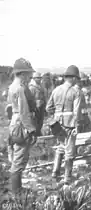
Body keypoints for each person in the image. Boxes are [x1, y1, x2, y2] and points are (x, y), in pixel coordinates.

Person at [46, 65, 85, 184]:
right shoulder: (76, 92)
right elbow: (76, 111)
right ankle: (67, 177)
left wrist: (57, 116)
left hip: (57, 124)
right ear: (73, 78)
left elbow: (48, 108)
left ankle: (55, 173)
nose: (77, 81)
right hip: (70, 124)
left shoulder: (56, 90)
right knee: (70, 151)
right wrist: (77, 126)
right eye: (76, 78)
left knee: (60, 147)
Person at [7, 58, 37, 194]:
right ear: (23, 74)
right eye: (28, 74)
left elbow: (10, 109)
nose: (30, 77)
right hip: (21, 124)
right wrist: (31, 130)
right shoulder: (19, 89)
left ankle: (17, 189)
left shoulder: (11, 87)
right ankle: (16, 192)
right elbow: (24, 112)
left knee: (18, 156)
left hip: (15, 123)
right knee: (20, 158)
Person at [29, 72, 47, 136]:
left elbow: (44, 97)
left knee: (40, 123)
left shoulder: (42, 87)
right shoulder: (31, 88)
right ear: (34, 79)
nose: (39, 79)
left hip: (41, 108)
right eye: (37, 78)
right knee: (35, 124)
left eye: (40, 78)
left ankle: (38, 134)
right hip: (35, 109)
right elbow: (30, 100)